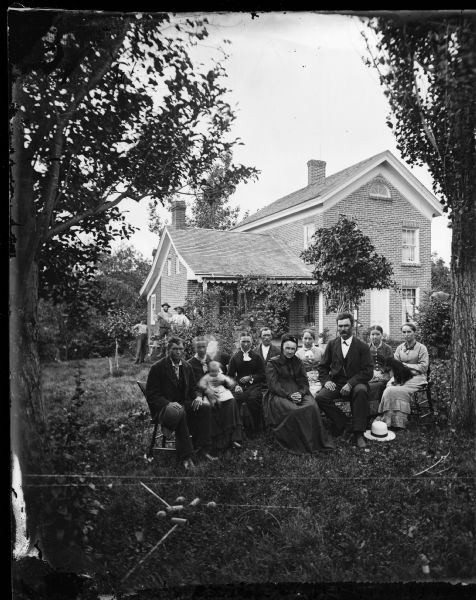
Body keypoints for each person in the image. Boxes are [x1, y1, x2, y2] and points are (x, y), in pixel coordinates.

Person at [145, 336, 217, 470]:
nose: (178, 352)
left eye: (181, 349)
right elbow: (152, 394)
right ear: (168, 350)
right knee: (180, 412)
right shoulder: (158, 367)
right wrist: (168, 404)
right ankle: (186, 457)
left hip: (182, 403)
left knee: (205, 407)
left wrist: (198, 397)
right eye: (175, 349)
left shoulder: (186, 366)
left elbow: (194, 388)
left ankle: (202, 448)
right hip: (164, 408)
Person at [263, 334, 335, 454]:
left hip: (299, 392)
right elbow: (273, 385)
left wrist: (301, 394)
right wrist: (289, 395)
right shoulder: (273, 363)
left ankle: (314, 441)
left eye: (293, 349)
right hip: (279, 394)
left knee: (312, 406)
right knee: (293, 410)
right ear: (282, 348)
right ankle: (296, 443)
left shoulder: (298, 362)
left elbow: (304, 382)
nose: (290, 351)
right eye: (287, 348)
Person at [315, 312, 374, 449]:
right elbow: (322, 367)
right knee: (321, 397)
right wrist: (326, 381)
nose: (343, 329)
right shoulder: (331, 344)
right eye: (340, 326)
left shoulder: (362, 346)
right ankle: (344, 423)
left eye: (346, 326)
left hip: (356, 382)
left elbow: (368, 371)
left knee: (361, 392)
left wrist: (351, 383)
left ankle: (359, 433)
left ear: (352, 326)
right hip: (336, 383)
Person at [188, 337, 243, 451]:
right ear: (194, 348)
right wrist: (205, 392)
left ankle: (232, 438)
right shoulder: (189, 364)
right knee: (209, 406)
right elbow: (192, 386)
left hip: (216, 391)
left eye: (204, 347)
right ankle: (214, 441)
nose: (202, 349)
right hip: (199, 394)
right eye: (199, 347)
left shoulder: (210, 360)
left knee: (231, 401)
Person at [377, 323, 429, 430]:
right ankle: (389, 420)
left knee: (397, 390)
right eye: (404, 332)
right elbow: (395, 365)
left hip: (417, 377)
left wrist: (406, 366)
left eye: (409, 332)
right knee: (389, 388)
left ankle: (400, 422)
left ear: (414, 332)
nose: (406, 334)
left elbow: (424, 367)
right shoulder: (400, 348)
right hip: (401, 377)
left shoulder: (421, 348)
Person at [227, 331, 266, 438]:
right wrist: (236, 386)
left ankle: (254, 430)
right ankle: (236, 431)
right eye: (243, 341)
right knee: (234, 400)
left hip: (254, 385)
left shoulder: (257, 357)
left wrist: (251, 377)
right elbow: (229, 376)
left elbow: (263, 375)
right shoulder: (235, 357)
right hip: (239, 386)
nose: (245, 344)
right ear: (239, 342)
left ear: (252, 342)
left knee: (253, 399)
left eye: (248, 341)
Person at [367, 325, 393, 415]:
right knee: (363, 386)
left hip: (384, 375)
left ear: (382, 335)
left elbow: (390, 363)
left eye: (377, 334)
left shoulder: (387, 348)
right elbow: (363, 363)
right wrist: (372, 372)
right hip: (370, 375)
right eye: (372, 334)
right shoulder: (366, 348)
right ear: (369, 336)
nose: (374, 337)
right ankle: (367, 412)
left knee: (377, 386)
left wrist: (381, 371)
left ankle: (376, 413)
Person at [295, 329, 325, 397]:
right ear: (301, 339)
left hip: (319, 379)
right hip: (305, 380)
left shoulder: (320, 351)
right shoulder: (298, 354)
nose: (307, 341)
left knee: (319, 394)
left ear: (313, 339)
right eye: (305, 338)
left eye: (310, 339)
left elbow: (326, 366)